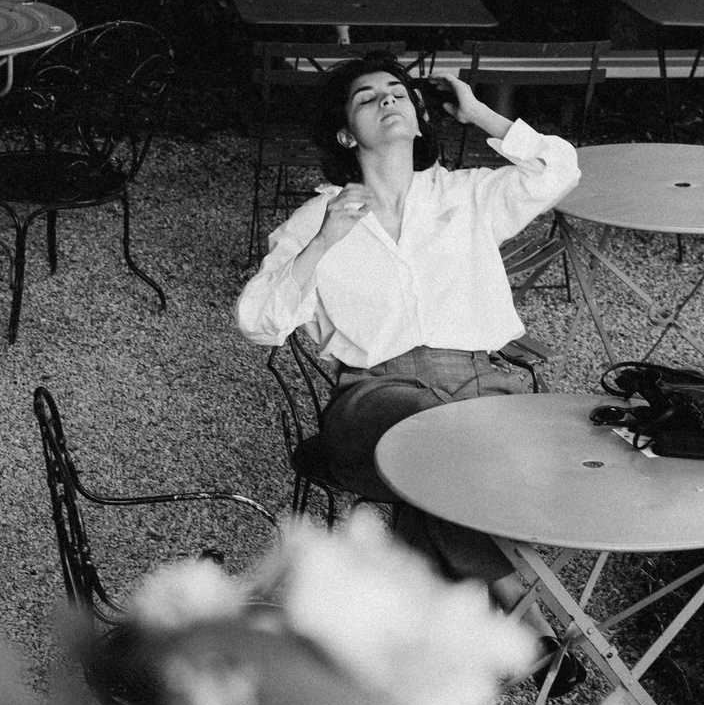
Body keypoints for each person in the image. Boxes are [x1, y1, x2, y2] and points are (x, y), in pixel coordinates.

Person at [237, 52, 579, 599]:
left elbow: (559, 169)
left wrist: (482, 115)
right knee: (435, 431)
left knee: (456, 450)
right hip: (375, 396)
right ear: (347, 136)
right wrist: (324, 242)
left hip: (480, 385)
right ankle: (521, 603)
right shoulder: (318, 218)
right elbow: (258, 322)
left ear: (420, 121)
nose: (387, 100)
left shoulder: (467, 196)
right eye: (366, 98)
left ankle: (439, 610)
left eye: (397, 93)